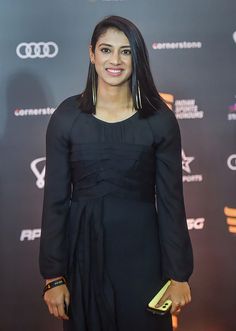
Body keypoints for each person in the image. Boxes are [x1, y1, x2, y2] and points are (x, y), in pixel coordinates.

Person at [39, 15, 193, 331]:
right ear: (91, 53)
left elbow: (171, 204)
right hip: (84, 257)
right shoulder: (66, 118)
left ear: (137, 57)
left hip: (144, 258)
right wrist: (53, 279)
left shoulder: (159, 120)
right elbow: (54, 202)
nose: (115, 60)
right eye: (107, 50)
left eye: (126, 51)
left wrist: (179, 275)